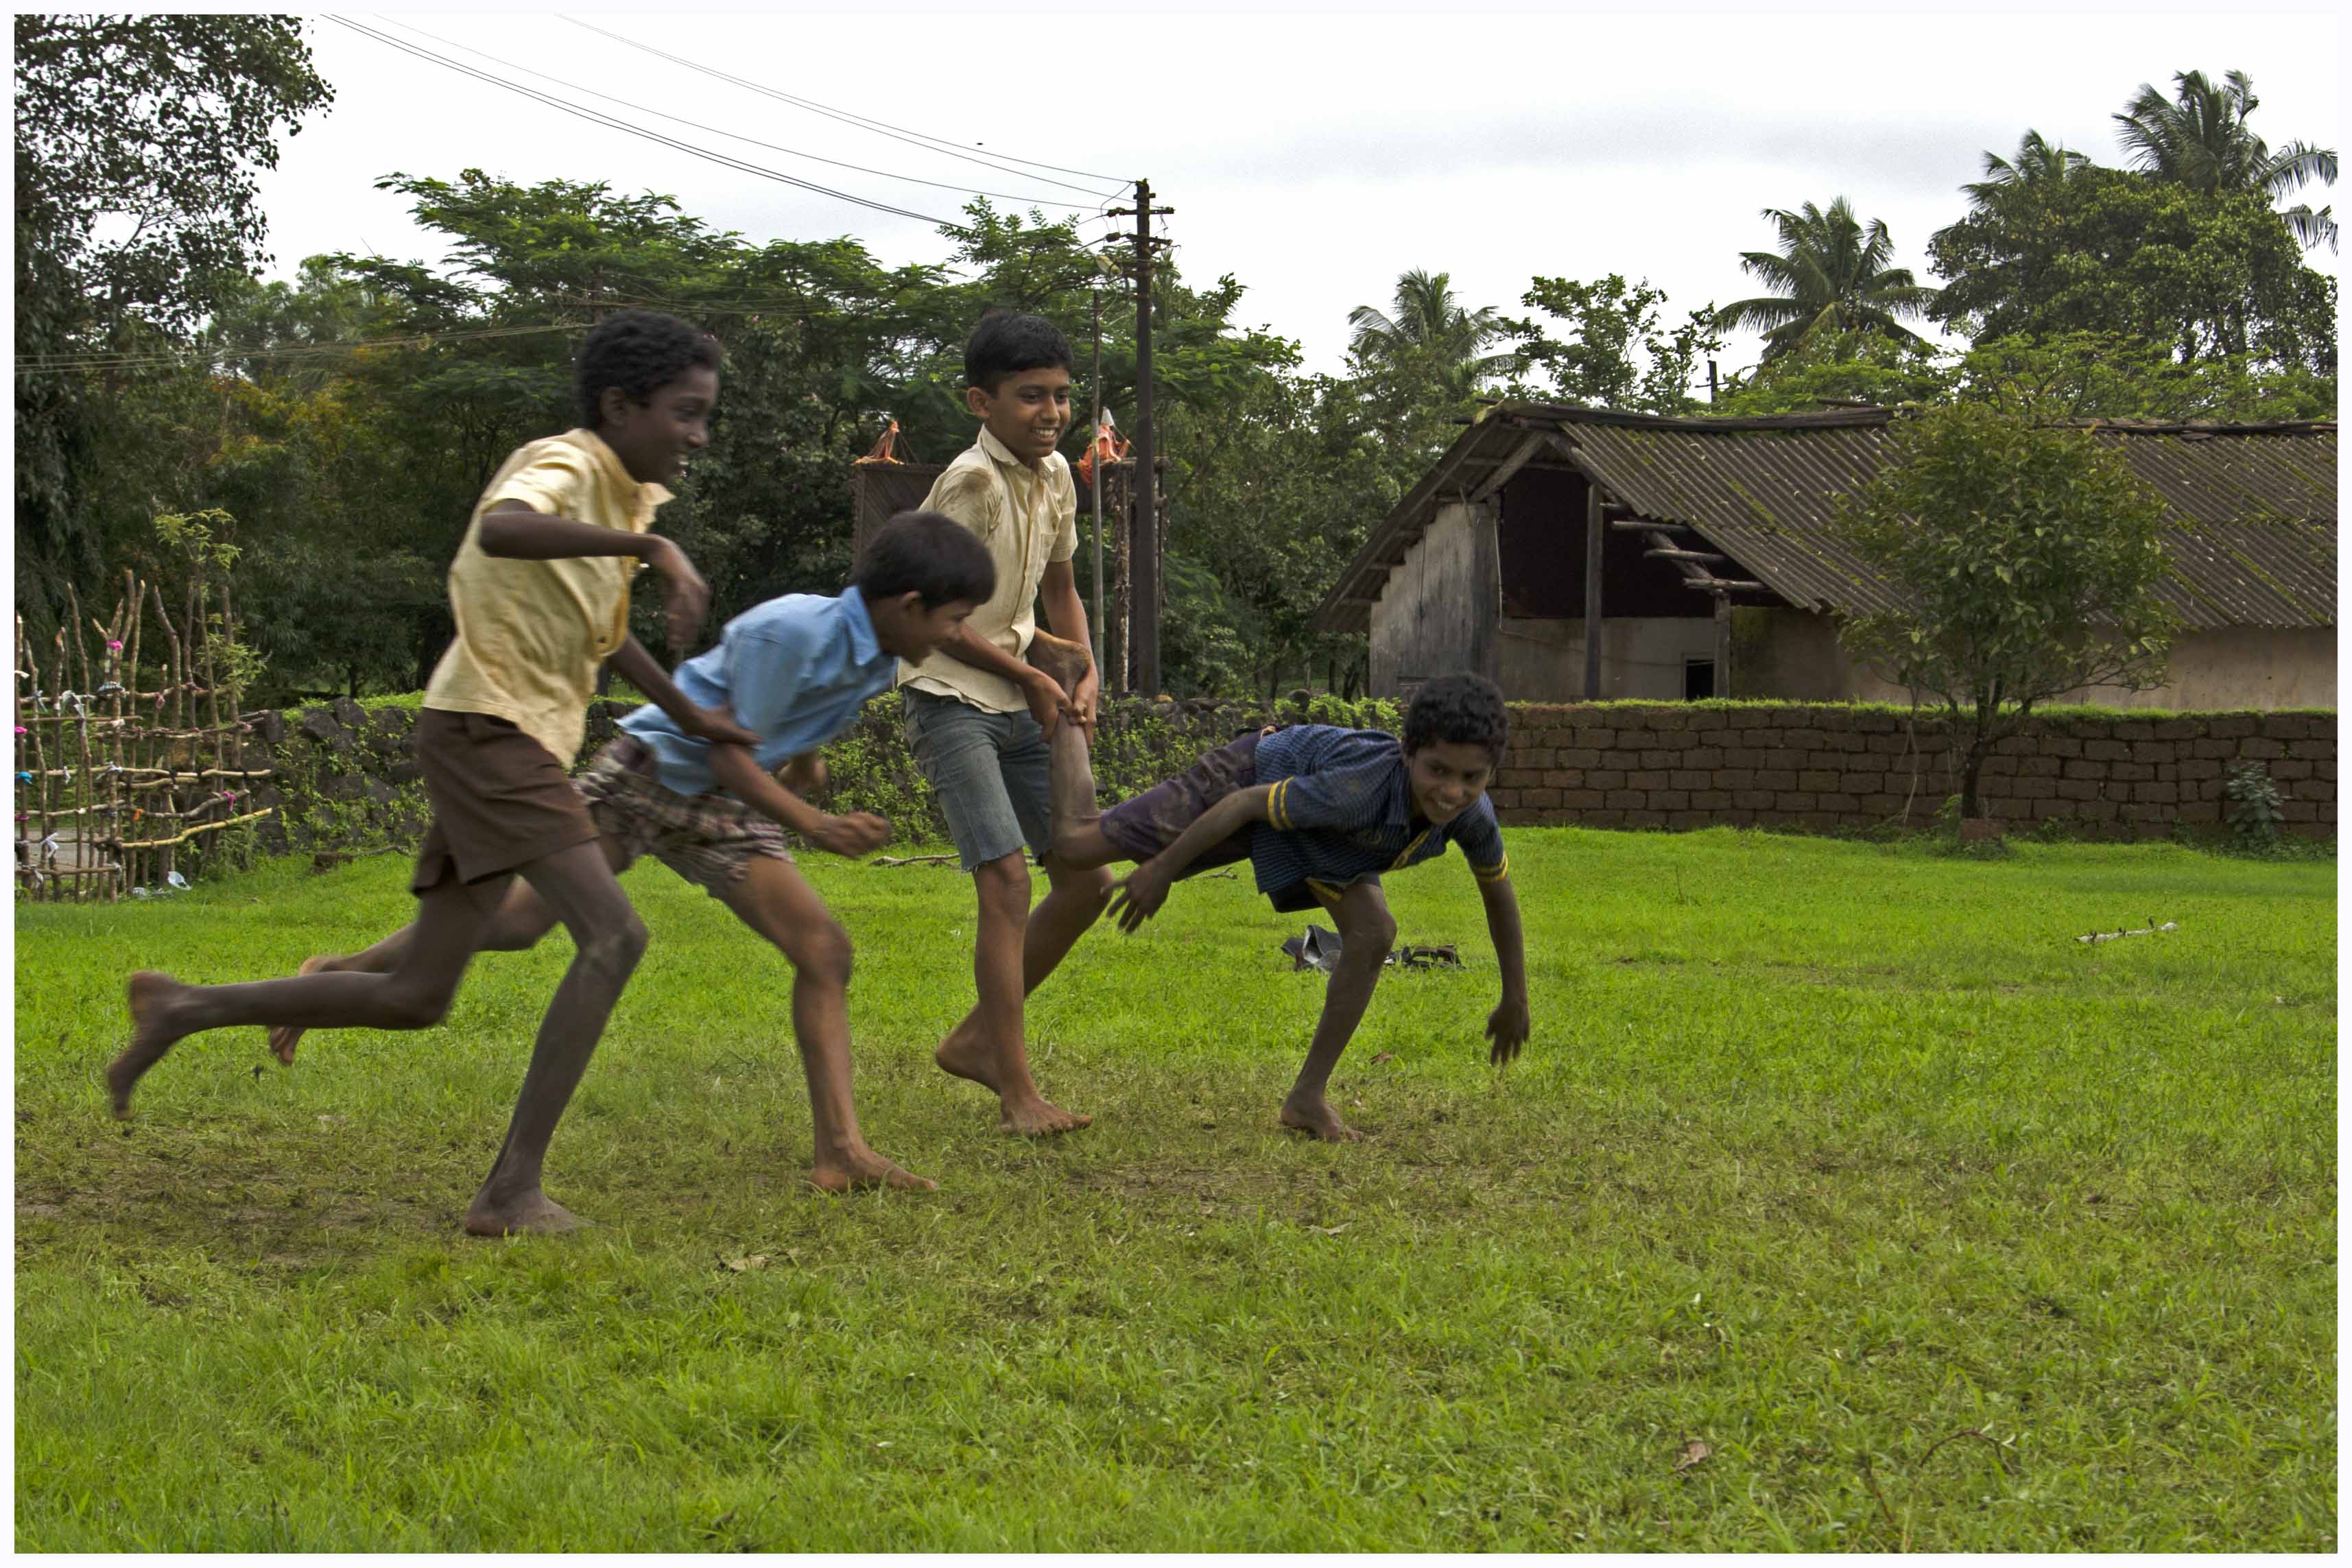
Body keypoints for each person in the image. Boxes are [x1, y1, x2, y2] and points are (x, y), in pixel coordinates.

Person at [107, 308, 757, 1237]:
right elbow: (503, 529)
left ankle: (184, 1006)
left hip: (495, 732)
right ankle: (508, 1191)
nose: (697, 436)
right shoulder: (570, 464)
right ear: (620, 405)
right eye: (686, 413)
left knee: (419, 995)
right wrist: (652, 551)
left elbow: (605, 637)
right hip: (490, 730)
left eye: (706, 417)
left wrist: (702, 721)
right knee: (613, 936)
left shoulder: (621, 497)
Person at [263, 512, 997, 1194]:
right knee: (519, 924)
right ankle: (341, 973)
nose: (954, 635)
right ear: (907, 604)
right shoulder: (796, 631)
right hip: (650, 777)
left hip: (725, 805)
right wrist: (815, 821)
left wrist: (804, 758)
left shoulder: (879, 650)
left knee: (823, 950)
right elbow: (724, 747)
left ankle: (839, 1148)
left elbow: (779, 726)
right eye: (953, 620)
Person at [1047, 673, 1531, 1143]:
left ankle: (1306, 1098)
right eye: (1438, 770)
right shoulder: (1358, 789)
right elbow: (1242, 804)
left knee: (1372, 932)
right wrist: (1161, 869)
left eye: (1472, 777)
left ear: (1492, 772)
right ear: (1408, 755)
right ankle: (1068, 705)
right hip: (1250, 779)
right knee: (1075, 845)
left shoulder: (1473, 816)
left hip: (1324, 840)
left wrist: (1515, 997)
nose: (1451, 792)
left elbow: (1498, 896)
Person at [897, 311, 1113, 1137]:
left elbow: (1058, 590)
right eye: (1030, 398)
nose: (1051, 413)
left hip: (1025, 688)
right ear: (979, 403)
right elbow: (927, 616)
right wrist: (1031, 673)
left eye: (1060, 396)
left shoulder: (1057, 473)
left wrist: (1085, 666)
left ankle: (980, 1041)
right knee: (1007, 880)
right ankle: (1018, 1093)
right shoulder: (972, 484)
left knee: (1088, 876)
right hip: (950, 694)